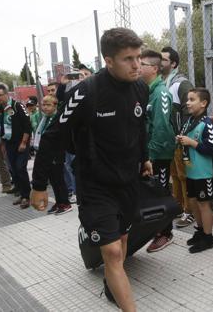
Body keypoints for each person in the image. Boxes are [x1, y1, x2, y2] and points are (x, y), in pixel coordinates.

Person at [30, 28, 151, 311]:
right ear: (108, 60)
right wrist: (37, 185)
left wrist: (144, 158)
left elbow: (138, 128)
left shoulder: (140, 88)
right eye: (128, 59)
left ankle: (112, 283)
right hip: (95, 184)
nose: (136, 65)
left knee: (120, 244)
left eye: (138, 57)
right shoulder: (85, 92)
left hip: (127, 181)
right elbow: (52, 137)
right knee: (110, 251)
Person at [139, 49, 177, 253]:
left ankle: (166, 233)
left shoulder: (161, 93)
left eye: (141, 63)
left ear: (154, 68)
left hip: (159, 154)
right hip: (148, 154)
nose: (137, 66)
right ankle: (156, 230)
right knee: (152, 192)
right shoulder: (146, 90)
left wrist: (150, 157)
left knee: (161, 191)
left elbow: (161, 130)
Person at [176, 88, 213, 253]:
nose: (187, 102)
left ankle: (209, 238)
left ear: (204, 103)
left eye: (192, 99)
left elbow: (210, 149)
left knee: (204, 204)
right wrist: (180, 140)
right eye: (187, 99)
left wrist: (191, 143)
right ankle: (200, 232)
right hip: (191, 171)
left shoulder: (207, 124)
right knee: (193, 202)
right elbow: (185, 137)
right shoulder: (188, 121)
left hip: (204, 172)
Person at [161, 46, 196, 228]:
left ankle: (190, 212)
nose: (160, 63)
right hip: (170, 140)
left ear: (173, 63)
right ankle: (179, 207)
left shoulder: (181, 83)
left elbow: (189, 109)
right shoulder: (164, 82)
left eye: (164, 60)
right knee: (175, 175)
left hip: (181, 139)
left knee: (184, 176)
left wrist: (183, 134)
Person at [32, 95, 72, 215]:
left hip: (55, 153)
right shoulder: (45, 118)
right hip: (46, 153)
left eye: (48, 104)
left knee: (59, 179)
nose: (45, 107)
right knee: (53, 180)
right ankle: (59, 201)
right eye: (43, 104)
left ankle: (65, 203)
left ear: (55, 106)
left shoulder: (58, 118)